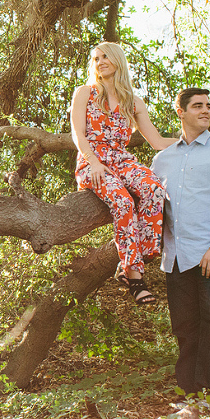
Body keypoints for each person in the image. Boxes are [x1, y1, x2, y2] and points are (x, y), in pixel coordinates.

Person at [151, 87, 210, 394]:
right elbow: (154, 208)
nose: (206, 110)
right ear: (181, 112)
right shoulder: (162, 160)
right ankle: (187, 392)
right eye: (197, 106)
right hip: (177, 255)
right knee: (184, 324)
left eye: (208, 106)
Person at [70, 42, 178, 305]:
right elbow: (78, 134)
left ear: (118, 60)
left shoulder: (133, 101)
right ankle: (135, 277)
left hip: (121, 160)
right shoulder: (85, 93)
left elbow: (157, 141)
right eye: (96, 58)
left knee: (153, 189)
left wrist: (194, 139)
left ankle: (137, 259)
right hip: (92, 161)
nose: (100, 61)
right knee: (123, 201)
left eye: (105, 56)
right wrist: (94, 162)